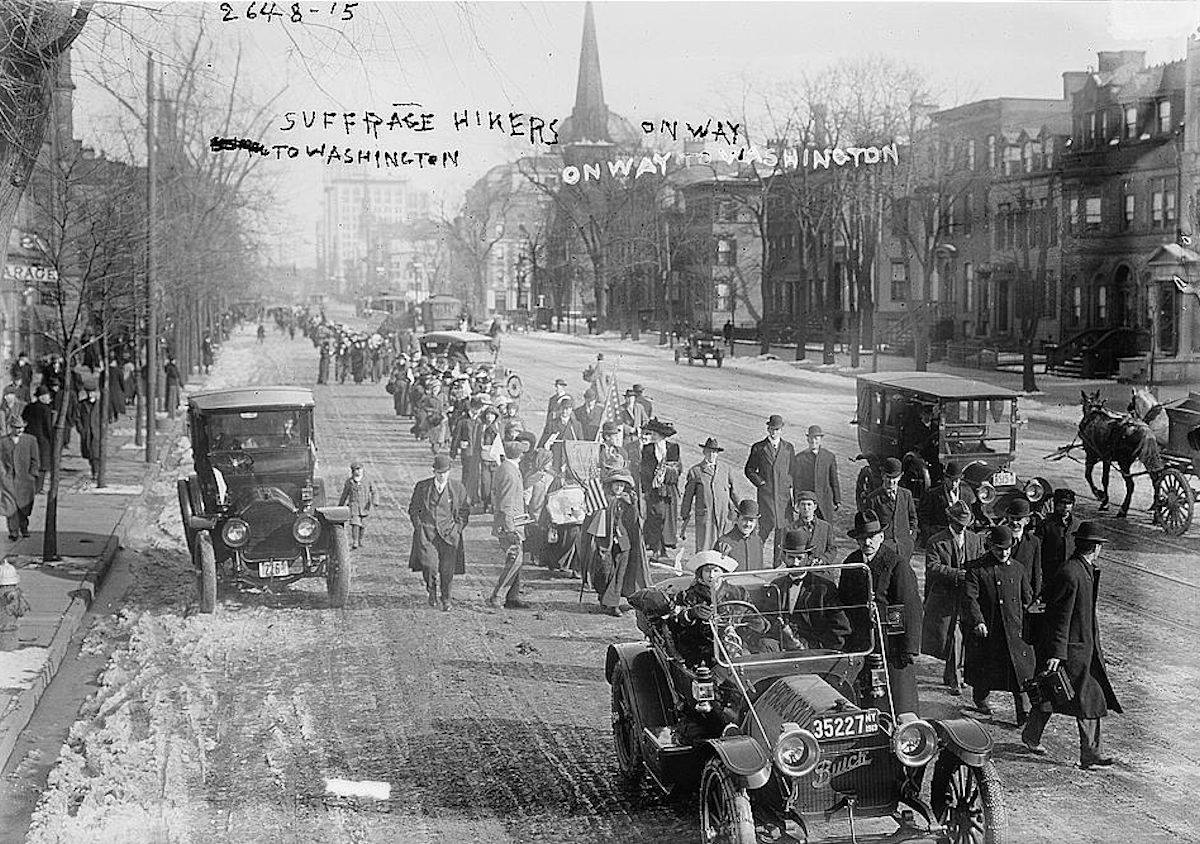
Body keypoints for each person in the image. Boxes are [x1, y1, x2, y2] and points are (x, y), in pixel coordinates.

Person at [1020, 522, 1122, 767]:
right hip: (1070, 650)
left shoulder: (1083, 569)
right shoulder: (1071, 573)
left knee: (1058, 696)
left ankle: (1033, 736)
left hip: (1081, 647)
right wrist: (1056, 653)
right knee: (1075, 697)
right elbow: (1059, 617)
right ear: (1095, 547)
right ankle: (1089, 754)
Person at [838, 509, 923, 717]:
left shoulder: (896, 564)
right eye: (862, 538)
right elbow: (845, 603)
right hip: (861, 642)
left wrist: (905, 646)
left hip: (892, 645)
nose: (867, 543)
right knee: (864, 698)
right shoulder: (851, 563)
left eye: (872, 537)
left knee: (898, 699)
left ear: (881, 537)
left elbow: (907, 606)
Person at [963, 524, 1035, 725]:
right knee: (985, 668)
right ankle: (981, 697)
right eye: (998, 549)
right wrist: (977, 620)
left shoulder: (1018, 569)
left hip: (1014, 630)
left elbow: (1026, 598)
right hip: (989, 629)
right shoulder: (976, 568)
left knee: (1019, 673)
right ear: (990, 546)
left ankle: (1024, 712)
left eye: (1007, 548)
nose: (1003, 553)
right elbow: (970, 598)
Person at [921, 501, 984, 696]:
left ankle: (952, 674)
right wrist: (958, 574)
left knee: (964, 636)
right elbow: (932, 567)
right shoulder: (936, 541)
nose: (962, 528)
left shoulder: (975, 540)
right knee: (953, 636)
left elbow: (981, 562)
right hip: (945, 597)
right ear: (950, 520)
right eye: (958, 524)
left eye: (965, 524)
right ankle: (956, 679)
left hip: (968, 597)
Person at [585, 468, 651, 617]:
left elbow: (634, 521)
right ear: (611, 485)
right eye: (616, 485)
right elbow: (594, 517)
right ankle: (603, 597)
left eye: (622, 485)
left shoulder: (627, 500)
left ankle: (613, 604)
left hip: (623, 541)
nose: (619, 488)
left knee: (620, 573)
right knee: (604, 571)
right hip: (605, 541)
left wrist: (633, 504)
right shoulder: (603, 499)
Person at [407, 454, 470, 611]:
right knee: (430, 566)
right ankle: (432, 590)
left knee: (447, 569)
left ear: (449, 471)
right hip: (427, 534)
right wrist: (419, 527)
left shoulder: (457, 488)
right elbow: (413, 509)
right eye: (438, 472)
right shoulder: (422, 487)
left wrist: (457, 529)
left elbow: (464, 511)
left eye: (445, 472)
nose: (442, 476)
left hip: (449, 535)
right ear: (433, 471)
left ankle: (446, 598)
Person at [777, 530, 851, 650]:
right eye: (791, 557)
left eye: (799, 558)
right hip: (781, 647)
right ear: (784, 557)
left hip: (812, 650)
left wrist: (819, 649)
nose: (795, 563)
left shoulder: (824, 588)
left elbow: (840, 627)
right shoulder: (776, 585)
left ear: (808, 557)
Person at [486, 441, 532, 611]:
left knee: (516, 562)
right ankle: (497, 596)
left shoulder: (507, 468)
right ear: (521, 455)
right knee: (515, 559)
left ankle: (512, 597)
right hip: (510, 524)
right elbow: (506, 504)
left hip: (513, 521)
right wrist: (510, 528)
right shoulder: (510, 472)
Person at [744, 414, 795, 566]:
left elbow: (793, 471)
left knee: (782, 533)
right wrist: (761, 483)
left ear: (781, 430)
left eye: (777, 429)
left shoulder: (788, 448)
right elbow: (749, 470)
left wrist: (788, 484)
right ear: (768, 429)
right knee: (763, 531)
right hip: (766, 498)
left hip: (784, 499)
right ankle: (754, 561)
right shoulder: (759, 447)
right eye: (772, 429)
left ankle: (777, 565)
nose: (774, 432)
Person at [679, 437, 739, 553]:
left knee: (724, 544)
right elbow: (688, 496)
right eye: (709, 451)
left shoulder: (725, 469)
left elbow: (734, 492)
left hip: (723, 515)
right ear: (704, 452)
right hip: (706, 516)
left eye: (714, 452)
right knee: (705, 546)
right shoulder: (696, 471)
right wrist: (684, 514)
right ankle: (703, 569)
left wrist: (741, 508)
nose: (712, 454)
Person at [640, 418, 682, 560]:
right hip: (654, 490)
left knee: (667, 518)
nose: (652, 436)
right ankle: (656, 548)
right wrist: (647, 488)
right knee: (655, 517)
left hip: (668, 489)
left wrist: (667, 473)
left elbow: (677, 468)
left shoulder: (673, 448)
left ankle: (664, 547)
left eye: (655, 434)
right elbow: (644, 471)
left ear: (662, 435)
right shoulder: (648, 449)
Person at [864, 457, 918, 565]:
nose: (891, 481)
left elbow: (913, 519)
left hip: (904, 548)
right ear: (883, 475)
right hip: (884, 549)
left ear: (901, 476)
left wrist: (911, 539)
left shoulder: (906, 495)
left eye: (895, 477)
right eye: (888, 477)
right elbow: (870, 528)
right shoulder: (873, 499)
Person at [790, 424, 841, 524]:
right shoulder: (800, 458)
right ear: (807, 439)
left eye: (816, 438)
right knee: (806, 528)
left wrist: (837, 499)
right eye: (811, 438)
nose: (813, 441)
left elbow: (834, 480)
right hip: (807, 503)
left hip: (825, 501)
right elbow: (797, 483)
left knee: (826, 528)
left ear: (821, 439)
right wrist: (797, 501)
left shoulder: (829, 457)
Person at [0, 419, 39, 540]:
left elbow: (35, 460)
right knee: (10, 506)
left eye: (21, 427)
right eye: (16, 427)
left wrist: (32, 474)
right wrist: (2, 474)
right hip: (8, 479)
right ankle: (13, 531)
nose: (19, 430)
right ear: (11, 427)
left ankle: (24, 526)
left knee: (24, 505)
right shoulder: (3, 441)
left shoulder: (30, 440)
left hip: (25, 479)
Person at [918, 461, 976, 542]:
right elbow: (924, 518)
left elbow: (969, 517)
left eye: (956, 481)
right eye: (951, 480)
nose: (953, 484)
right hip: (940, 537)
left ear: (960, 479)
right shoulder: (933, 494)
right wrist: (930, 534)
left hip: (961, 537)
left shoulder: (967, 494)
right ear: (945, 478)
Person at [1006, 497, 1044, 604]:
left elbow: (1036, 570)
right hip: (1004, 594)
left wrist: (1036, 595)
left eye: (1018, 519)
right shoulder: (1000, 538)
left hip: (1024, 594)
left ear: (1027, 521)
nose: (1014, 522)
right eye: (1012, 518)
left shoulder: (1033, 542)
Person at [786, 490, 837, 567]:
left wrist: (822, 560)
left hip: (821, 569)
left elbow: (832, 549)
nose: (806, 508)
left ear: (815, 507)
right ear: (798, 507)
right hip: (799, 569)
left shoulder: (826, 527)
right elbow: (784, 552)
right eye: (803, 504)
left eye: (809, 504)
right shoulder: (791, 528)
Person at [1036, 488, 1075, 587]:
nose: (1066, 506)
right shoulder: (1046, 525)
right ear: (1056, 504)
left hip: (1072, 572)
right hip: (1051, 572)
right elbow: (1038, 549)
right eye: (1062, 503)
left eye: (1069, 503)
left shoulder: (1077, 525)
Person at [452, 396, 485, 510]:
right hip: (467, 452)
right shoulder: (463, 420)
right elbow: (456, 436)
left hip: (477, 452)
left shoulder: (481, 421)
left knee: (476, 474)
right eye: (474, 408)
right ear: (470, 407)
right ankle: (465, 497)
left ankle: (474, 497)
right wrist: (453, 452)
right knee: (466, 474)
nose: (476, 410)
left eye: (478, 408)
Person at [714, 499, 764, 571]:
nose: (748, 524)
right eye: (745, 519)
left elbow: (760, 570)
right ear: (737, 519)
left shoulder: (757, 541)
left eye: (751, 520)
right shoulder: (724, 542)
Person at [338, 462, 376, 549]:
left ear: (362, 470)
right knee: (355, 523)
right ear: (352, 471)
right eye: (356, 470)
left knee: (363, 525)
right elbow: (345, 494)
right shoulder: (349, 482)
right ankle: (355, 541)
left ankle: (360, 540)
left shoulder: (368, 480)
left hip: (365, 506)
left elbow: (374, 491)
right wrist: (340, 505)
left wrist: (375, 501)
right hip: (354, 505)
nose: (358, 472)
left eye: (359, 469)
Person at [21, 387, 53, 494]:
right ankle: (39, 488)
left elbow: (23, 420)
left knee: (32, 462)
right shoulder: (46, 409)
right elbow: (48, 426)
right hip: (43, 440)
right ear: (42, 397)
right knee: (43, 465)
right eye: (47, 395)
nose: (49, 398)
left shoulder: (29, 407)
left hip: (29, 438)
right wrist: (52, 439)